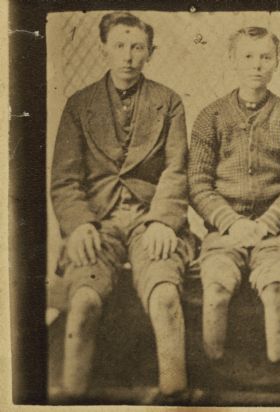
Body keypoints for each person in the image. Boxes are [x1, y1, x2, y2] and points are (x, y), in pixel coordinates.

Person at [51, 12, 194, 403]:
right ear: (104, 49)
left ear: (150, 52)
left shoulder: (168, 103)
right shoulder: (80, 105)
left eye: (137, 47)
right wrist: (79, 224)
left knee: (165, 297)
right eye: (119, 46)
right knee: (82, 302)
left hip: (151, 220)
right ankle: (71, 399)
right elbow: (65, 180)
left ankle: (174, 396)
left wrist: (164, 221)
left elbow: (176, 170)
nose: (128, 56)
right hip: (97, 222)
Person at [188, 26, 280, 363]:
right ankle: (214, 375)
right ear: (232, 60)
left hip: (276, 230)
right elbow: (198, 183)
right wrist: (230, 223)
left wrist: (268, 222)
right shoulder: (210, 117)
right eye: (247, 56)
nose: (256, 65)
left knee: (275, 286)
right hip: (224, 231)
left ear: (276, 62)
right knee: (215, 287)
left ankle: (277, 374)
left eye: (265, 57)